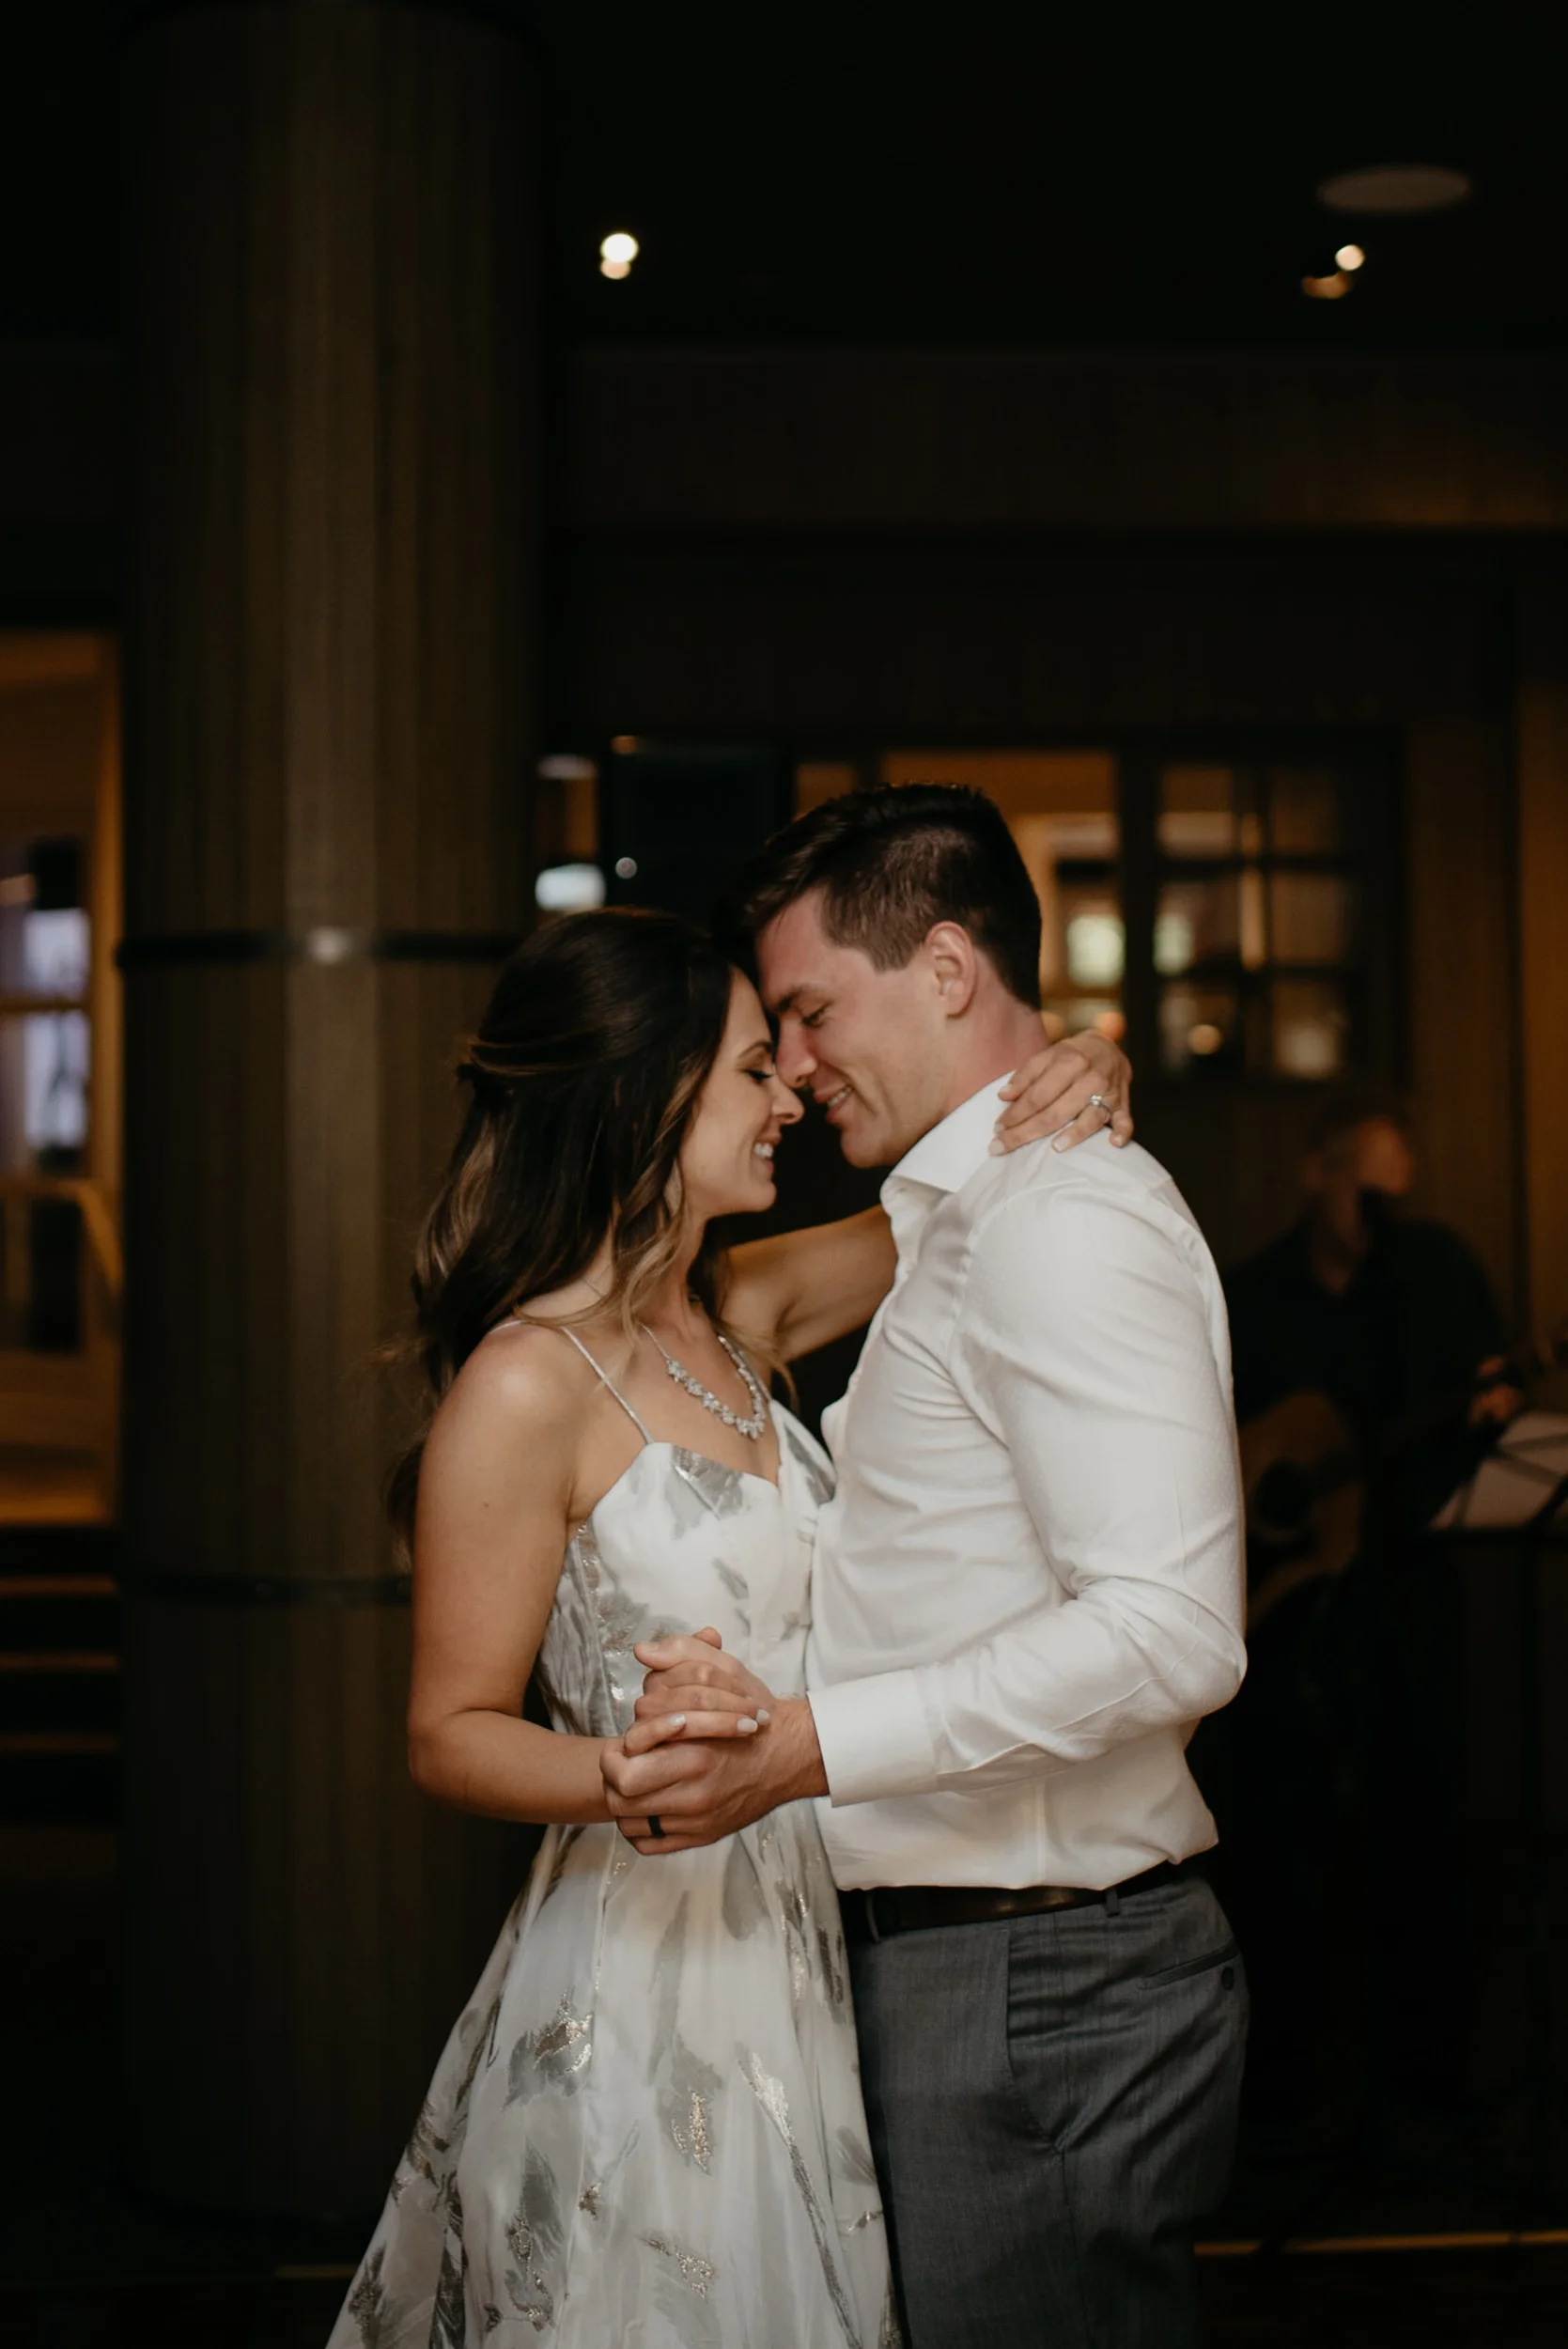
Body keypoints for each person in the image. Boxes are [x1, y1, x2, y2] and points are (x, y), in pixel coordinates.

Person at [328, 903, 1128, 2349]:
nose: (791, 1099)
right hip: (642, 1975)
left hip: (803, 1947)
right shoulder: (527, 1382)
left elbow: (957, 1203)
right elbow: (447, 1734)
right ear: (645, 1096)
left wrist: (1086, 1064)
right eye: (756, 1069)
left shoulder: (738, 1312)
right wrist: (634, 1772)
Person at [603, 785, 1249, 2349]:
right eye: (760, 1048)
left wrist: (800, 1748)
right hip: (953, 1967)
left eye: (809, 1015)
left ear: (947, 970)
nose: (790, 1069)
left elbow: (1172, 1632)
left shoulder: (1054, 1221)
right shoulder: (956, 1223)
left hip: (1030, 1971)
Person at [1219, 1091, 1516, 2134]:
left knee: (1420, 1831)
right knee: (1277, 1841)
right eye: (1364, 1192)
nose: (1378, 1216)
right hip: (1281, 1614)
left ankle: (1426, 2087)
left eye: (1397, 1196)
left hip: (1404, 1596)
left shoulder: (1435, 1279)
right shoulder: (1252, 1297)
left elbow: (1483, 1404)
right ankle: (1281, 2097)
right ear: (1318, 1173)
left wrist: (1491, 1409)